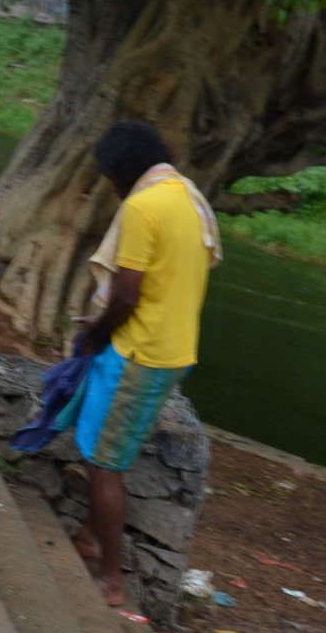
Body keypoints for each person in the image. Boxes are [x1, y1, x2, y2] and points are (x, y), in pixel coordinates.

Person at [64, 120, 221, 605]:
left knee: (104, 464)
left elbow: (128, 293)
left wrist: (96, 332)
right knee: (109, 448)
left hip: (140, 353)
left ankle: (112, 580)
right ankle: (89, 537)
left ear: (119, 171)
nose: (110, 187)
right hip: (174, 350)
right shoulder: (188, 196)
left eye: (109, 178)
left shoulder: (142, 206)